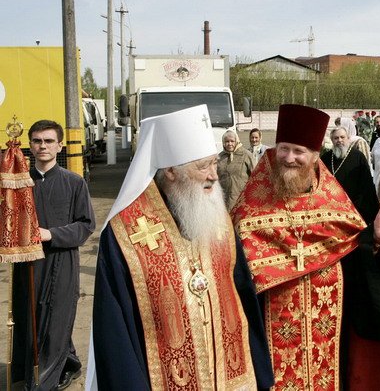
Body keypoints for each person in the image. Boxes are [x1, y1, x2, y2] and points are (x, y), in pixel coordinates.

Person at [91, 105, 273, 390]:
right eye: (203, 167)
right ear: (171, 171)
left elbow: (242, 294)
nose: (214, 175)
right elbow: (115, 336)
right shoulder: (124, 236)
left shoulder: (218, 219)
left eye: (214, 164)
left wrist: (261, 374)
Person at [231, 104, 380, 390]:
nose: (289, 158)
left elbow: (353, 259)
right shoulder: (250, 209)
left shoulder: (334, 205)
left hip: (330, 338)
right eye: (284, 149)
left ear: (315, 157)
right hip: (270, 337)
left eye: (299, 151)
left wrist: (373, 239)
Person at [12, 120, 95, 390]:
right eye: (37, 141)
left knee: (57, 315)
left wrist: (52, 234)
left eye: (49, 141)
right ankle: (67, 363)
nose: (43, 146)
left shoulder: (74, 182)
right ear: (30, 145)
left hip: (61, 259)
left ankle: (42, 382)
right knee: (32, 315)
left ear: (60, 146)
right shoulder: (20, 183)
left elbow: (86, 225)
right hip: (27, 261)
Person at [322, 126, 379, 223]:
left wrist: (357, 205)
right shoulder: (326, 158)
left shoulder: (358, 157)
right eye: (336, 138)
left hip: (355, 206)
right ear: (332, 140)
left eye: (342, 137)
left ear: (348, 138)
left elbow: (366, 185)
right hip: (332, 207)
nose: (339, 140)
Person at [217, 129, 254, 210]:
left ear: (236, 141)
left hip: (242, 199)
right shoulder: (220, 157)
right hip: (224, 200)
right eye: (227, 141)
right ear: (223, 143)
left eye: (232, 141)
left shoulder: (246, 155)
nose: (230, 144)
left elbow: (255, 176)